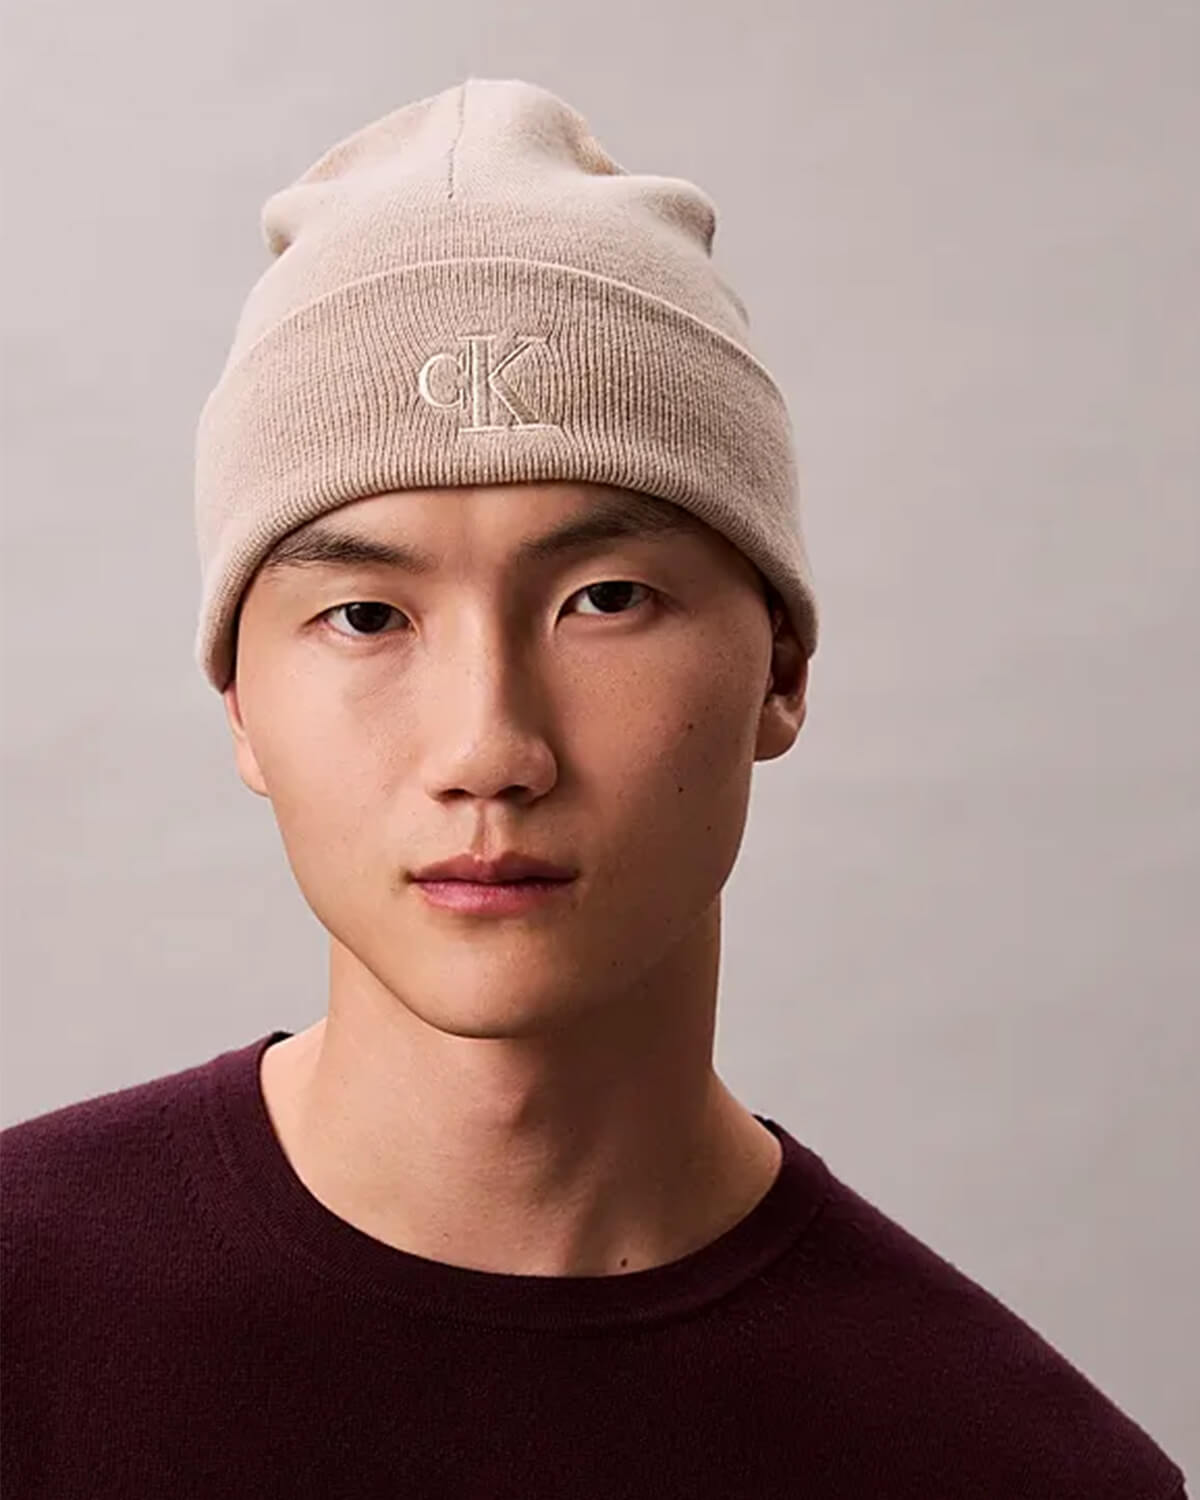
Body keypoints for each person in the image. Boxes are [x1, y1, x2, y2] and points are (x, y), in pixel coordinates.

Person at [0, 77, 1187, 1500]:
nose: (488, 748)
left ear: (781, 671)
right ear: (240, 703)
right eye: (366, 616)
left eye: (605, 598)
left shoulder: (1018, 1469)